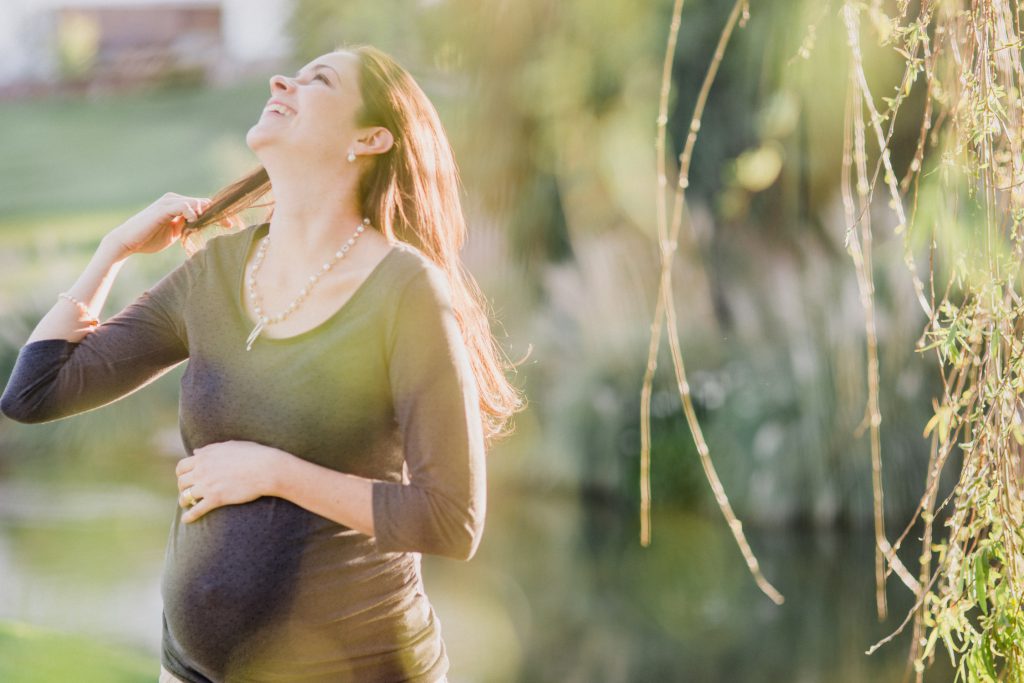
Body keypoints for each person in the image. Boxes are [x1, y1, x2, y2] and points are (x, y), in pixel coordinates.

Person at [0, 43, 525, 683]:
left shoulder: (405, 291)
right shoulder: (213, 275)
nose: (283, 81)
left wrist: (273, 472)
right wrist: (113, 251)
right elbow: (35, 393)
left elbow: (450, 520)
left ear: (371, 137)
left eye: (319, 80)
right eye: (293, 74)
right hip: (190, 671)